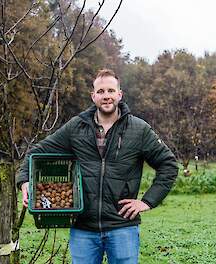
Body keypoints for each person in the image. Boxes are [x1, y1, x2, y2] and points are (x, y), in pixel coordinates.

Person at [16, 69, 178, 264]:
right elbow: (37, 151)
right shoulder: (77, 127)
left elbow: (168, 164)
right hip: (83, 228)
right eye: (101, 91)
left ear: (120, 94)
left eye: (111, 90)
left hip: (122, 226)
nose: (106, 96)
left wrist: (147, 201)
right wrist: (24, 180)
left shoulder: (139, 129)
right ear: (93, 96)